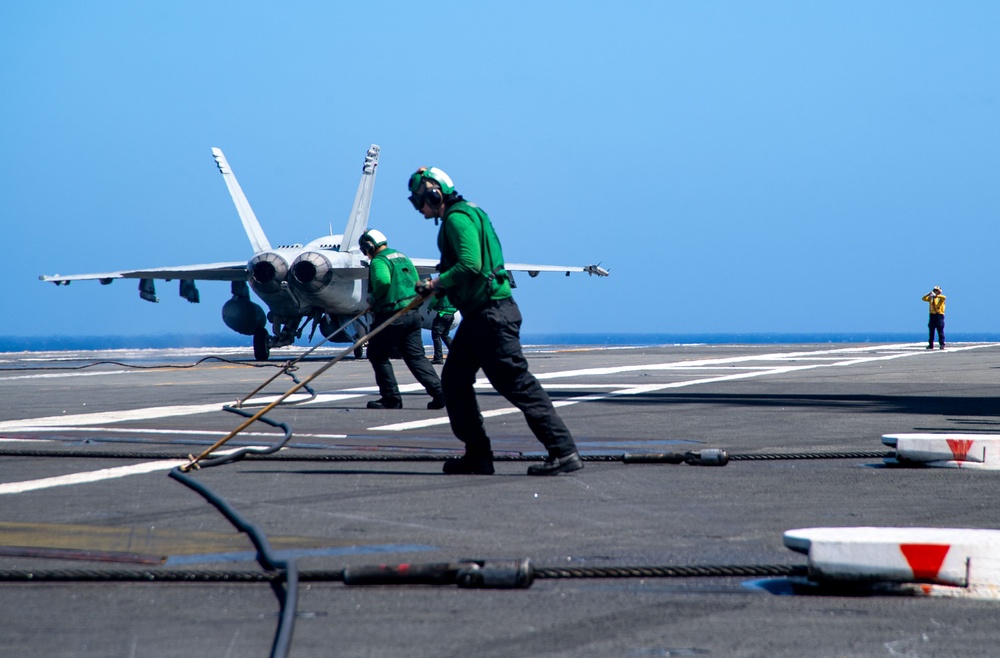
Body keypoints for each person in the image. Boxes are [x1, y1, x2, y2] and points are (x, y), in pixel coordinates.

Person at [407, 166, 583, 476]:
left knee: (517, 383)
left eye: (418, 201)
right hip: (482, 316)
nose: (419, 209)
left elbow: (471, 265)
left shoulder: (456, 219)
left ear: (434, 194)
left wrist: (435, 283)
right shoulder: (474, 213)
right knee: (455, 380)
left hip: (490, 315)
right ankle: (477, 455)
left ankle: (563, 451)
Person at [359, 229, 445, 410]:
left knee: (377, 355)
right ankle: (440, 393)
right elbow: (416, 280)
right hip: (413, 314)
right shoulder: (402, 257)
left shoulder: (379, 260)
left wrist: (376, 299)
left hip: (392, 315)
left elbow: (382, 282)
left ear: (369, 246)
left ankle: (391, 398)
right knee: (416, 357)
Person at [430, 293, 456, 364]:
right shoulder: (453, 290)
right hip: (451, 315)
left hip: (442, 314)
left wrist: (429, 307)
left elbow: (434, 300)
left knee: (436, 336)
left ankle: (438, 358)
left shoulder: (441, 289)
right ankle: (456, 354)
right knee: (445, 335)